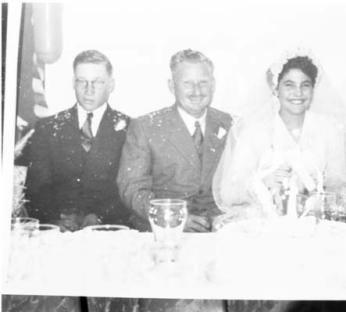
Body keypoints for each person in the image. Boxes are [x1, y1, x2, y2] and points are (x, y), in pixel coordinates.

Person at [213, 49, 346, 221]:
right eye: (289, 85)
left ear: (313, 89)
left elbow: (338, 186)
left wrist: (313, 189)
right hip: (263, 223)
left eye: (305, 85)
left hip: (313, 222)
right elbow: (228, 194)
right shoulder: (255, 131)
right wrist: (261, 182)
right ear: (276, 89)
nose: (298, 93)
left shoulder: (329, 129)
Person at [117, 49, 232, 232]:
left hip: (219, 231)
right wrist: (172, 217)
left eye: (203, 82)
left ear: (213, 85)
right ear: (172, 86)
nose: (196, 91)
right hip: (164, 230)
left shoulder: (231, 124)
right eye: (187, 83)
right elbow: (132, 189)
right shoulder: (145, 127)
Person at [25, 50, 131, 231]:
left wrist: (100, 218)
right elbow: (37, 187)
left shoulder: (130, 129)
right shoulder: (47, 128)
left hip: (109, 230)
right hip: (57, 230)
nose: (88, 90)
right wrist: (56, 219)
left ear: (111, 85)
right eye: (82, 81)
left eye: (97, 82)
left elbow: (130, 190)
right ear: (73, 83)